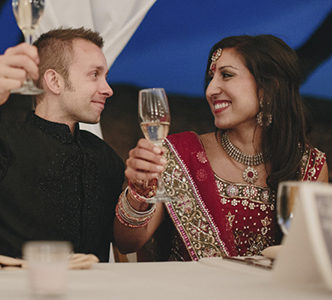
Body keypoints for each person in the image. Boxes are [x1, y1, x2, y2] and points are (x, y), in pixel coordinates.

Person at [114, 34, 328, 261]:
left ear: (268, 88)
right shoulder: (178, 155)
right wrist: (138, 192)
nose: (210, 90)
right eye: (211, 78)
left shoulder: (307, 166)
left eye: (226, 75)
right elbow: (127, 243)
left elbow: (316, 256)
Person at [0, 27, 125, 262]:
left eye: (105, 76)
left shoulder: (108, 160)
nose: (108, 89)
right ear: (54, 81)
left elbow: (124, 243)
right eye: (95, 74)